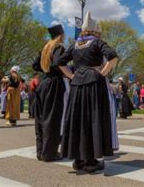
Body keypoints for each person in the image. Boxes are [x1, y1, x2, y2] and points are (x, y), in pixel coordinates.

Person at [57, 11, 118, 173]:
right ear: (94, 31)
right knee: (93, 117)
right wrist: (102, 72)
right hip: (93, 82)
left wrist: (71, 76)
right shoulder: (97, 42)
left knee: (78, 118)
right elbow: (113, 57)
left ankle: (78, 159)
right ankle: (91, 161)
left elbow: (59, 62)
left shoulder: (75, 45)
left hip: (77, 84)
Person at [32, 24, 67, 162]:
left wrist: (46, 70)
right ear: (60, 35)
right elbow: (58, 63)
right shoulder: (59, 47)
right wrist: (64, 72)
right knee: (52, 118)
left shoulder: (46, 48)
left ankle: (40, 152)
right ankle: (50, 153)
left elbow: (35, 65)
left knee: (40, 119)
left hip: (43, 83)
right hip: (54, 83)